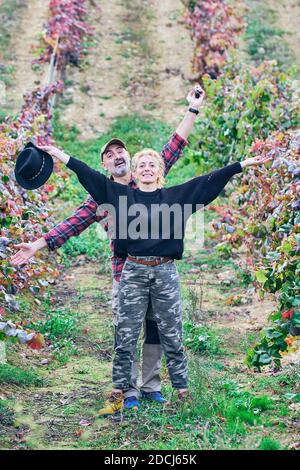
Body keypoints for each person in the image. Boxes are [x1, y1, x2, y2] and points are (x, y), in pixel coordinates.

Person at [33, 139, 272, 414]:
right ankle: (123, 391)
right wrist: (59, 154)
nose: (146, 169)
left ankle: (181, 391)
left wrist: (240, 165)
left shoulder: (176, 197)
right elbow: (87, 174)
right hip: (132, 271)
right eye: (141, 165)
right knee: (126, 334)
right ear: (134, 173)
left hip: (165, 271)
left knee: (171, 333)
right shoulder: (119, 197)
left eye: (152, 165)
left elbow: (209, 181)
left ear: (160, 171)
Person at [11, 86, 205, 412]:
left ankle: (151, 385)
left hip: (158, 271)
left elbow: (175, 146)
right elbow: (71, 224)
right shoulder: (100, 197)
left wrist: (193, 109)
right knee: (125, 333)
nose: (118, 155)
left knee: (155, 327)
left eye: (121, 151)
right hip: (124, 274)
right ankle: (128, 390)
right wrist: (39, 244)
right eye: (110, 154)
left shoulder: (149, 177)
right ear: (104, 164)